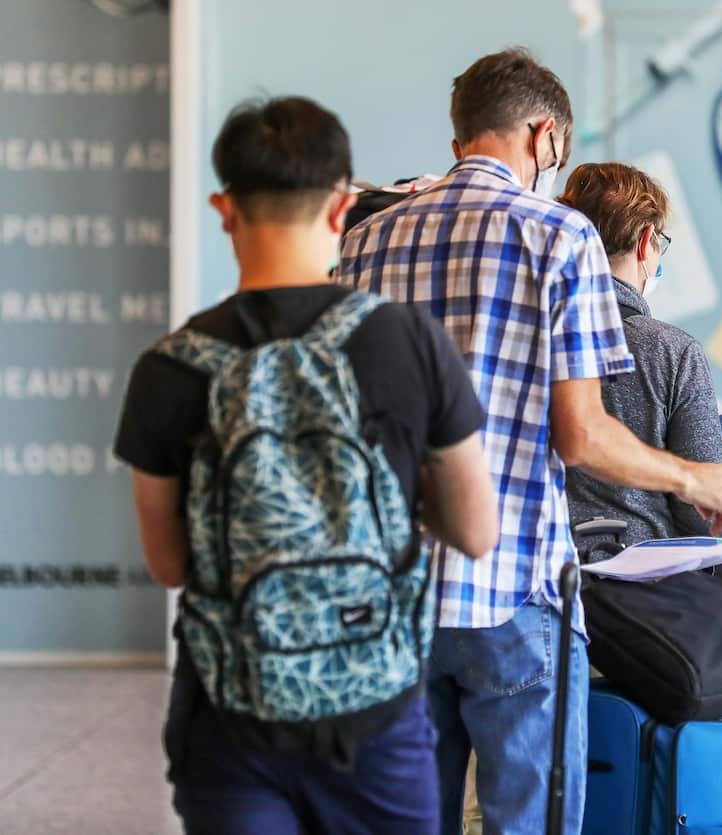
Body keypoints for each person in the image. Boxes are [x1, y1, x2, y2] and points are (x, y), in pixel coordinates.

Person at [339, 48, 722, 834]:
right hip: (514, 586)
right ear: (547, 136)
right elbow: (583, 435)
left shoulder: (366, 242)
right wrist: (694, 477)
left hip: (396, 591)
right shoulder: (559, 236)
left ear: (461, 135)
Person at [115, 96, 498, 835]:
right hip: (376, 716)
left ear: (224, 208)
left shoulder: (167, 368)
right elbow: (476, 530)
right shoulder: (408, 342)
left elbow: (167, 562)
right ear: (343, 204)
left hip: (230, 717)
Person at [557, 163, 722, 566]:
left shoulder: (533, 332)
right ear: (644, 243)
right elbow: (703, 514)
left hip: (543, 580)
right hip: (643, 592)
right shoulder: (673, 351)